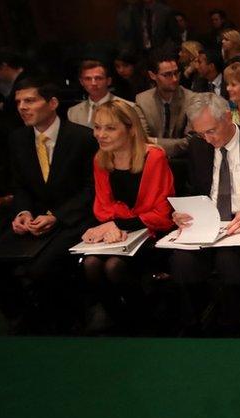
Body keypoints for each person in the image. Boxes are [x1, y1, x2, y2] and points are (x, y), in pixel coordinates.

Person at [0, 78, 97, 332]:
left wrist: (56, 216)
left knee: (42, 269)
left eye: (30, 100)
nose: (22, 107)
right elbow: (20, 186)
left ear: (52, 103)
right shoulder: (18, 139)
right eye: (18, 102)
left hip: (70, 219)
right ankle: (24, 317)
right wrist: (22, 212)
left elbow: (91, 189)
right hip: (33, 218)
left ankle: (64, 322)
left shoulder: (81, 137)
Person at [171, 93, 240, 335]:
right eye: (201, 133)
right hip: (208, 225)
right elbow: (193, 190)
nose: (207, 139)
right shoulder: (199, 148)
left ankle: (238, 330)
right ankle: (195, 329)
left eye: (211, 131)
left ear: (228, 117)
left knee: (229, 261)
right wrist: (182, 213)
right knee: (181, 260)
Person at [82, 100, 175, 332]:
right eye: (97, 127)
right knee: (90, 264)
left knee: (114, 267)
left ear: (131, 129)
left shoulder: (153, 157)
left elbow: (162, 215)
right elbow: (101, 209)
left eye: (110, 128)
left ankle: (143, 322)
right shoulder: (100, 159)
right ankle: (118, 319)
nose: (100, 135)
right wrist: (114, 224)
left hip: (153, 234)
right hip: (121, 231)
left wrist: (117, 221)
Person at [136, 50, 197, 158]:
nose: (174, 79)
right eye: (167, 75)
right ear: (152, 75)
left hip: (184, 161)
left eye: (176, 73)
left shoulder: (191, 99)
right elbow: (141, 140)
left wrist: (154, 141)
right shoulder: (142, 100)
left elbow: (191, 141)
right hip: (152, 160)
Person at [67, 60, 149, 134]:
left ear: (108, 81)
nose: (93, 83)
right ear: (81, 82)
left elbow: (142, 139)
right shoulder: (73, 112)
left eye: (98, 78)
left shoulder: (130, 107)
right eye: (88, 79)